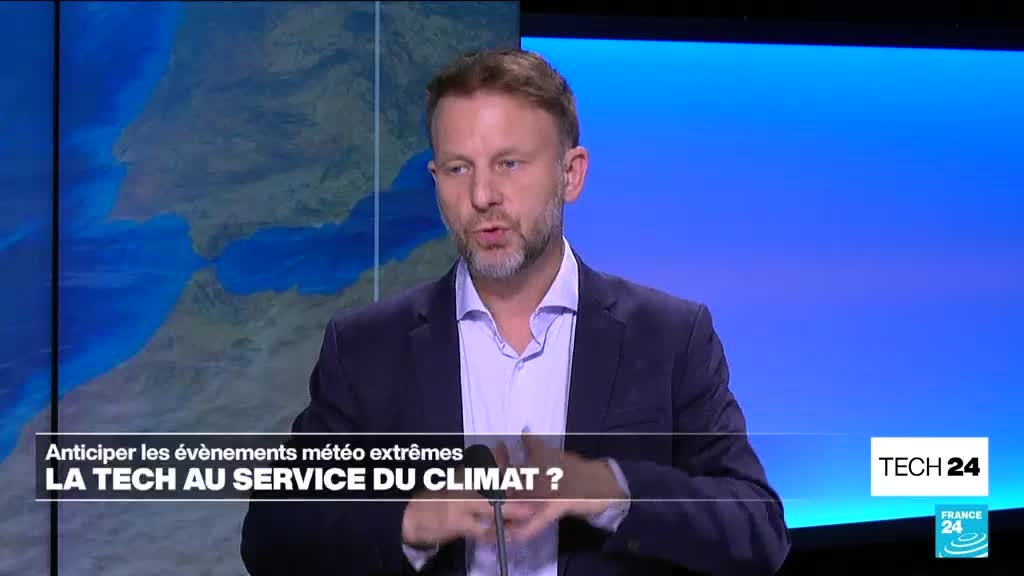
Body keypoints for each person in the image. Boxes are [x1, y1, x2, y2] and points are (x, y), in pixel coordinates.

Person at [241, 48, 790, 576]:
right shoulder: (365, 348)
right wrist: (410, 522)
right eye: (458, 168)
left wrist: (611, 490)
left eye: (509, 163)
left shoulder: (669, 337)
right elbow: (271, 539)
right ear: (435, 181)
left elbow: (758, 531)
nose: (482, 195)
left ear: (570, 174)